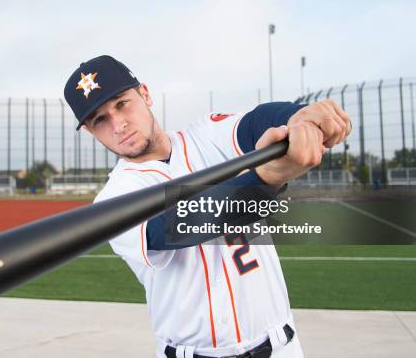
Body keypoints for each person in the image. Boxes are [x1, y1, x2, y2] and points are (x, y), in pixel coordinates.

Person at [63, 55, 351, 358]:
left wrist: (299, 116)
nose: (118, 125)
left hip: (281, 348)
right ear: (92, 132)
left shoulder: (206, 136)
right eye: (100, 120)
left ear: (145, 94)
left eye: (122, 103)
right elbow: (175, 228)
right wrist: (266, 180)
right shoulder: (113, 197)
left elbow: (257, 121)